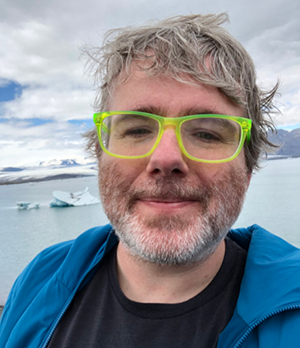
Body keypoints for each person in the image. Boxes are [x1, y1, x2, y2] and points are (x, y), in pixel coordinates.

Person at [1, 13, 300, 348]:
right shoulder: (40, 279)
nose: (166, 158)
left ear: (247, 167)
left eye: (207, 133)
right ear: (101, 156)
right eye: (138, 129)